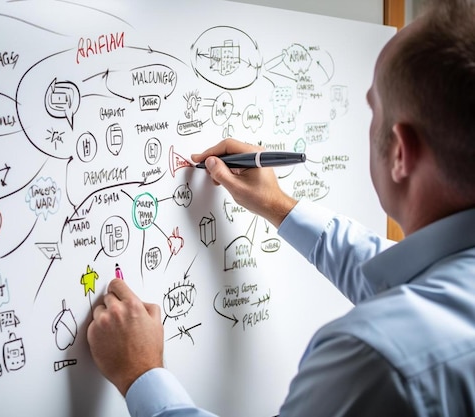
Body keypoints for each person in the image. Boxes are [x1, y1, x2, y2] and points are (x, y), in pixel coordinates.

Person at [87, 0, 475, 415]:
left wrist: (142, 375)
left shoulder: (372, 360)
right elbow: (382, 270)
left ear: (401, 152)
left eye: (373, 110)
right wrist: (279, 206)